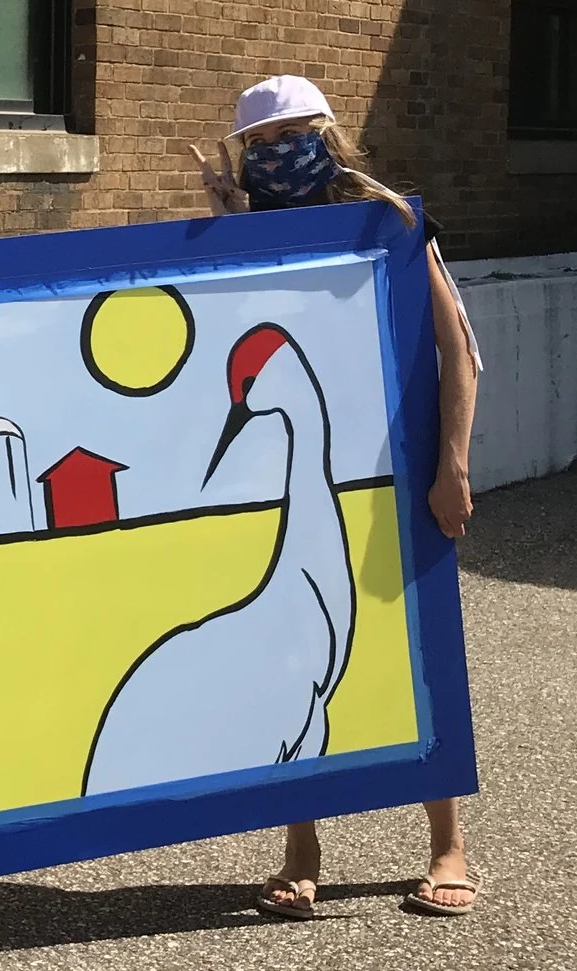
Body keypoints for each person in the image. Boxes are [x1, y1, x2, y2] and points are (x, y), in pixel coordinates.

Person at [188, 74, 482, 921]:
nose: (282, 154)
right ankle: (301, 846)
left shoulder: (388, 220)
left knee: (415, 649)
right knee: (292, 657)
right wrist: (222, 226)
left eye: (295, 134)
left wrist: (452, 464)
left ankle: (448, 844)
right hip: (302, 477)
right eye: (263, 143)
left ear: (328, 132)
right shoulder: (253, 234)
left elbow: (456, 348)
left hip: (402, 463)